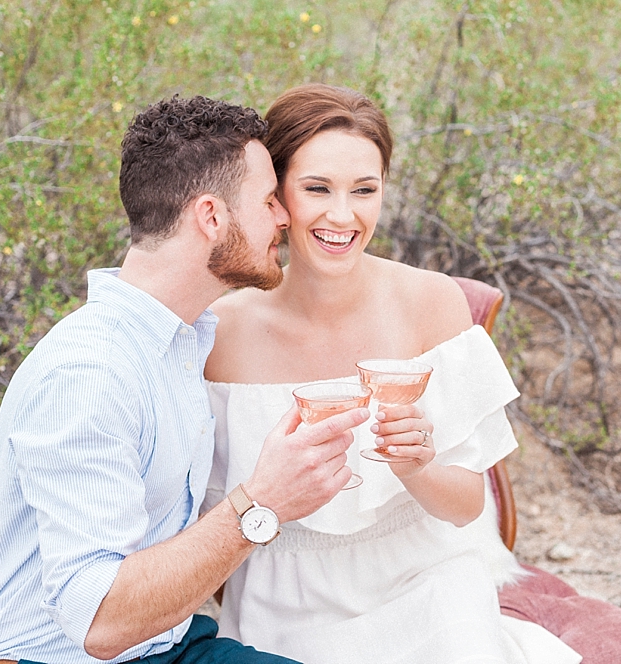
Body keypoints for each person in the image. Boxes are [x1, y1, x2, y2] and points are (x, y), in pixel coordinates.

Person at [0, 96, 369, 664]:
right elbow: (99, 622)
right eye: (267, 200)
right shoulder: (91, 372)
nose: (284, 217)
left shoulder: (183, 341)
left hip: (170, 645)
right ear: (211, 216)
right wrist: (265, 502)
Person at [203, 83, 582, 664]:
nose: (342, 215)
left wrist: (419, 465)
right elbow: (202, 521)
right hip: (283, 596)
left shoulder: (432, 302)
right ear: (276, 196)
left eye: (364, 190)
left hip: (427, 578)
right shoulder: (221, 331)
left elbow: (465, 506)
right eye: (317, 189)